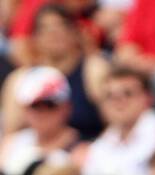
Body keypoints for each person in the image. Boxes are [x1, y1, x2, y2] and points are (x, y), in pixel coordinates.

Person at [1, 3, 109, 140]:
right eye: (45, 29)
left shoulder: (93, 70)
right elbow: (10, 134)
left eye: (60, 27)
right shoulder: (20, 79)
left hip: (85, 150)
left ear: (75, 32)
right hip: (38, 155)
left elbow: (114, 124)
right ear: (35, 38)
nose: (54, 34)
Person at [82, 66, 155, 175]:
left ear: (148, 98)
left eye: (128, 94)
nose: (118, 101)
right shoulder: (99, 147)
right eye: (110, 96)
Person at [0, 67, 82, 174]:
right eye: (34, 105)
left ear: (67, 107)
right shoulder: (12, 143)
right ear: (24, 109)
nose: (42, 112)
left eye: (49, 105)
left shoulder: (81, 151)